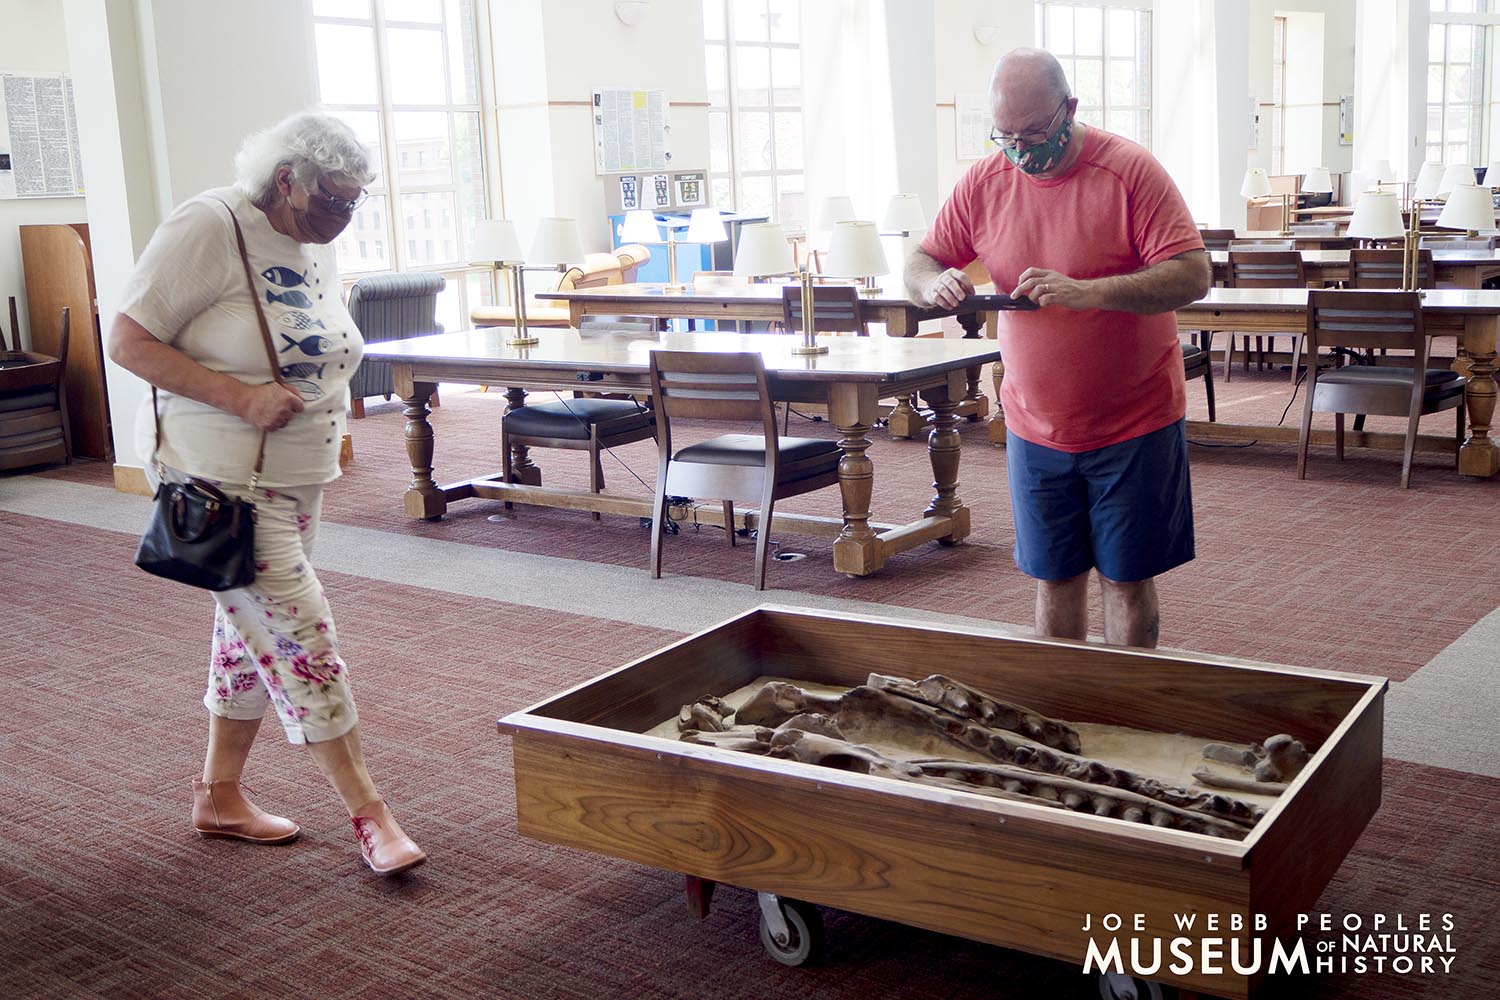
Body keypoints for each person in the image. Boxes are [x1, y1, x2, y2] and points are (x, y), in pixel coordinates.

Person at [107, 111, 426, 875]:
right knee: (302, 637)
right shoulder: (209, 225)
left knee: (246, 637)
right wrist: (239, 398)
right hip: (224, 481)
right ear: (287, 181)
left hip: (294, 475)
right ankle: (370, 815)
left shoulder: (308, 241)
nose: (344, 220)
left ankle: (218, 796)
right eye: (333, 203)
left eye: (355, 205)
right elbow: (125, 339)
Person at [906, 48, 1211, 649]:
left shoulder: (1128, 171)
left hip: (1134, 421)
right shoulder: (986, 180)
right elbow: (921, 260)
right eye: (1006, 134)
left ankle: (1123, 715)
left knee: (1125, 581)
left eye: (1035, 132)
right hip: (1034, 425)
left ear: (1069, 110)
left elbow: (1192, 275)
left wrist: (1089, 291)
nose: (1020, 148)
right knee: (1055, 578)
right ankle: (1063, 715)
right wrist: (930, 282)